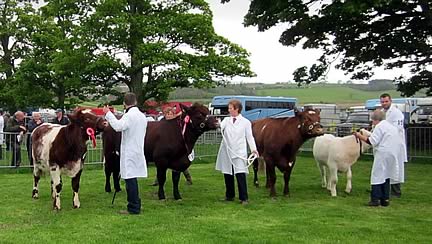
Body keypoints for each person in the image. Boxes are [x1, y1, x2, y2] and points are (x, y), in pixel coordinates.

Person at [103, 92, 147, 215]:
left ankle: (133, 207)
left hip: (129, 151)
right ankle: (136, 204)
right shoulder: (141, 116)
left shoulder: (129, 116)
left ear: (124, 103)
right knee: (133, 179)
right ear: (136, 102)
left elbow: (118, 126)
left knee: (130, 180)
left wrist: (108, 113)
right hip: (137, 149)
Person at [354, 110, 405, 207]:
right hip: (393, 153)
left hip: (383, 153)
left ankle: (375, 199)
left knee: (377, 175)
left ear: (375, 119)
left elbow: (372, 141)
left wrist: (359, 136)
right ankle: (385, 199)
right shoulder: (390, 126)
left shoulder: (379, 127)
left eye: (372, 120)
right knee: (386, 176)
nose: (372, 122)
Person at [215, 99, 258, 205]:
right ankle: (229, 196)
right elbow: (220, 128)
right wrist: (217, 124)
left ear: (237, 109)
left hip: (239, 151)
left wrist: (253, 149)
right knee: (228, 174)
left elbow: (249, 137)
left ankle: (244, 198)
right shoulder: (226, 120)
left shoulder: (245, 122)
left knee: (240, 174)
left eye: (230, 108)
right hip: (227, 150)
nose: (228, 110)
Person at [151, 106, 193, 186]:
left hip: (176, 147)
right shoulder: (162, 122)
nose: (169, 116)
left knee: (180, 164)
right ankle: (157, 181)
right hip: (166, 146)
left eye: (171, 114)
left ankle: (188, 178)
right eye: (167, 114)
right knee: (162, 164)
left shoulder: (176, 122)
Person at [380, 93, 407, 198]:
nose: (384, 103)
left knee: (395, 167)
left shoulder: (397, 113)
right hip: (385, 143)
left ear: (390, 101)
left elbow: (398, 128)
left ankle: (396, 191)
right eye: (382, 101)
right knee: (383, 167)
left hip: (396, 144)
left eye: (386, 101)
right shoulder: (382, 112)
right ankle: (382, 189)